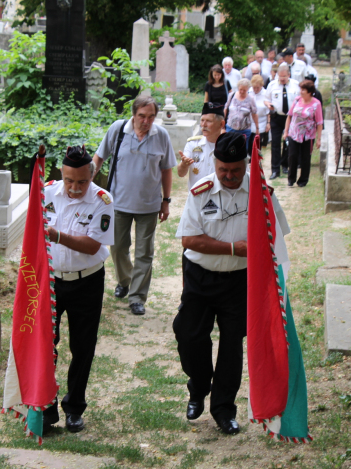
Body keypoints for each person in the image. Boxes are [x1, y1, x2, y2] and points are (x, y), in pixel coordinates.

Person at [174, 132, 290, 435]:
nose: (228, 176)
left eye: (235, 171)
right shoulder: (201, 191)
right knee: (189, 336)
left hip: (240, 280)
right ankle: (199, 386)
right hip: (200, 275)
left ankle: (224, 409)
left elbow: (277, 237)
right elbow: (189, 239)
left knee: (231, 345)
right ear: (215, 163)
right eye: (223, 169)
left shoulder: (261, 192)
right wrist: (231, 248)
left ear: (245, 164)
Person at [42, 146, 115, 434]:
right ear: (62, 174)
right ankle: (46, 407)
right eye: (69, 180)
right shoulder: (47, 193)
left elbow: (92, 245)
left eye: (81, 181)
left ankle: (74, 407)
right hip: (51, 281)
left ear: (92, 174)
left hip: (87, 281)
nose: (74, 188)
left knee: (82, 347)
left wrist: (56, 235)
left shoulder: (102, 200)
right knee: (48, 344)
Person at [92, 96, 176, 316]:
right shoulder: (118, 130)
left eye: (150, 117)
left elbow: (167, 170)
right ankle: (125, 280)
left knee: (144, 253)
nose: (146, 121)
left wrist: (165, 201)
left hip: (149, 205)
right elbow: (99, 158)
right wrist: (86, 186)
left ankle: (137, 297)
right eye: (141, 116)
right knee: (118, 247)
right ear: (134, 114)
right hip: (118, 202)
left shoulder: (161, 136)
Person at [283, 79, 323, 188]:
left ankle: (303, 180)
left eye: (303, 89)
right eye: (301, 89)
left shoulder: (316, 104)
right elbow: (290, 115)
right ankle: (291, 179)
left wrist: (319, 138)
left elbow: (319, 122)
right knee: (292, 156)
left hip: (308, 135)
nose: (301, 91)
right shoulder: (296, 100)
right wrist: (286, 131)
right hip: (294, 133)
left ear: (309, 91)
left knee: (305, 158)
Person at [178, 103, 226, 189]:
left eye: (208, 121)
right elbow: (181, 174)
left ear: (221, 124)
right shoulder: (193, 144)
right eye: (202, 120)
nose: (203, 125)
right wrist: (184, 165)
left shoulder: (228, 146)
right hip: (196, 198)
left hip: (220, 198)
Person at [265, 63, 300, 179]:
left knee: (288, 142)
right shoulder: (272, 85)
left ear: (288, 75)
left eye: (284, 76)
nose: (282, 79)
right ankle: (275, 169)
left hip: (290, 118)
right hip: (276, 117)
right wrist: (268, 104)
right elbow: (266, 99)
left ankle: (285, 165)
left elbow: (300, 99)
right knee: (275, 143)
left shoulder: (295, 85)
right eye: (280, 76)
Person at [225, 78, 259, 154]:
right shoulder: (231, 95)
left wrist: (257, 128)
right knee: (229, 149)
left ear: (248, 89)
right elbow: (225, 109)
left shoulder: (251, 99)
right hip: (230, 128)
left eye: (244, 90)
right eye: (240, 89)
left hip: (244, 129)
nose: (242, 91)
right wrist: (222, 126)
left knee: (243, 150)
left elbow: (254, 114)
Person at [248, 74, 270, 148]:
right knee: (250, 144)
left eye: (258, 87)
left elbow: (268, 111)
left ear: (261, 85)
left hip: (262, 122)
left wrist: (268, 123)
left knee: (258, 145)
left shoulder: (266, 93)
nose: (256, 89)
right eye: (254, 87)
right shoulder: (249, 92)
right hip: (250, 122)